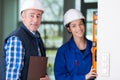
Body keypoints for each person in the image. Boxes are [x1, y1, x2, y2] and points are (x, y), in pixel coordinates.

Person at [0, 0, 49, 80]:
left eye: (38, 16)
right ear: (23, 16)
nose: (35, 20)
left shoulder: (37, 38)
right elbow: (12, 77)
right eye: (31, 16)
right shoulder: (16, 39)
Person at [54, 9, 97, 80]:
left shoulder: (94, 47)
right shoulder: (63, 51)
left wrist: (96, 56)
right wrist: (84, 77)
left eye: (81, 24)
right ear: (69, 29)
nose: (79, 28)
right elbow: (60, 77)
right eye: (74, 26)